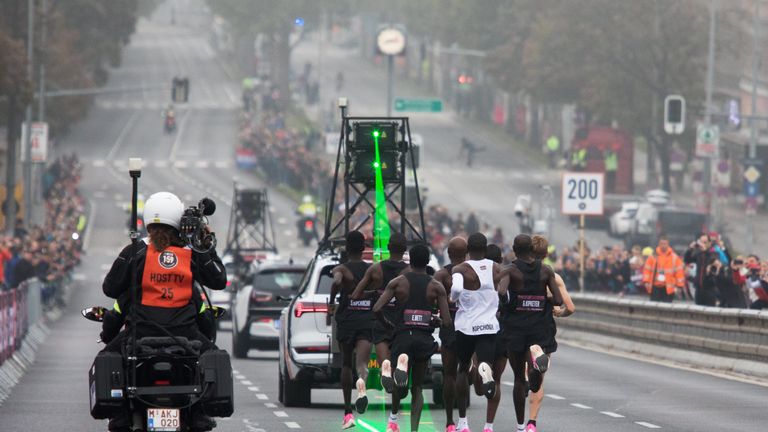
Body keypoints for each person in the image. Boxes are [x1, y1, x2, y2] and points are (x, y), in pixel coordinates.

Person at [101, 192, 227, 432]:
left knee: (108, 355)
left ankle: (120, 414)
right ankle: (199, 413)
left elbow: (110, 288)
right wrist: (205, 245)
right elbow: (219, 280)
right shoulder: (191, 254)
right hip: (187, 337)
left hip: (138, 336)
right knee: (213, 355)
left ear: (148, 221)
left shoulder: (135, 252)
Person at [374, 244, 452, 432]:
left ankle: (393, 413)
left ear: (411, 261)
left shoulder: (397, 282)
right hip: (423, 339)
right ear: (427, 262)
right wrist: (434, 321)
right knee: (417, 387)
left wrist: (387, 325)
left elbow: (376, 308)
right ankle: (414, 430)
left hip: (402, 336)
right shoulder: (436, 286)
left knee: (400, 387)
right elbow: (447, 321)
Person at [497, 234, 563, 432]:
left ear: (514, 250)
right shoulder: (545, 270)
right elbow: (558, 300)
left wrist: (510, 303)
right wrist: (542, 300)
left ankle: (520, 426)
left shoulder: (509, 270)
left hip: (515, 328)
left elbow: (501, 292)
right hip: (539, 327)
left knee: (518, 378)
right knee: (534, 380)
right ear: (532, 250)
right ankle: (535, 368)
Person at [451, 233, 502, 432]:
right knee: (486, 364)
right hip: (489, 326)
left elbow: (455, 289)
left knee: (462, 368)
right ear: (485, 247)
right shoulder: (497, 268)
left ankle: (463, 423)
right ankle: (488, 427)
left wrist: (454, 298)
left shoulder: (460, 268)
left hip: (466, 326)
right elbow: (505, 292)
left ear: (467, 250)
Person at [525, 235, 575, 430]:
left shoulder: (517, 272)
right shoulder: (554, 276)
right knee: (539, 377)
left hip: (521, 327)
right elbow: (570, 307)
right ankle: (532, 423)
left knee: (522, 370)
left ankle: (526, 381)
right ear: (546, 254)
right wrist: (558, 313)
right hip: (544, 328)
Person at [350, 232, 409, 398]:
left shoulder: (375, 269)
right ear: (405, 250)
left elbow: (355, 295)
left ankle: (386, 370)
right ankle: (396, 374)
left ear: (388, 248)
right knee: (402, 362)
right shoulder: (409, 272)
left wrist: (376, 294)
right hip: (402, 322)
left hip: (381, 321)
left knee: (384, 355)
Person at [328, 231, 372, 429]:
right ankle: (361, 386)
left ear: (347, 248)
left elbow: (336, 281)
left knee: (346, 363)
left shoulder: (342, 269)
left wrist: (332, 300)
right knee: (361, 363)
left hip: (347, 320)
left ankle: (347, 412)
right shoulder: (373, 270)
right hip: (365, 320)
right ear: (364, 248)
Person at [433, 237, 467, 432]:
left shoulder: (441, 276)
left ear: (449, 253)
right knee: (464, 372)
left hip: (450, 327)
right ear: (466, 253)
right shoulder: (474, 273)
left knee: (450, 374)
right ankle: (463, 420)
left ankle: (449, 422)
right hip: (471, 327)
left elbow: (431, 298)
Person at [642, 235, 685, 303]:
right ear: (659, 244)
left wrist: (679, 286)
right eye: (662, 243)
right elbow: (647, 270)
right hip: (655, 287)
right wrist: (646, 281)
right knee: (654, 308)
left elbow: (679, 272)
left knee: (666, 309)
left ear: (668, 244)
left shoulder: (674, 257)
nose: (663, 245)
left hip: (668, 288)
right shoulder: (653, 256)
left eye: (665, 244)